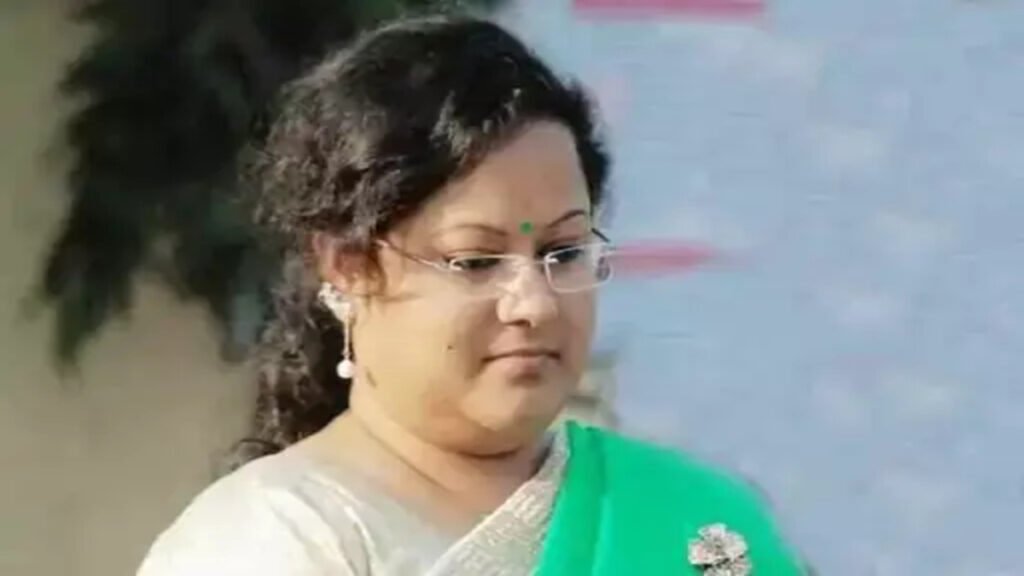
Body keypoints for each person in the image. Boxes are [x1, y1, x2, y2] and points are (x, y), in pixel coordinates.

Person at [138, 13, 806, 576]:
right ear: (349, 267)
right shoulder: (278, 539)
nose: (535, 304)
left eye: (562, 253)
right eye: (476, 261)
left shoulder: (699, 523)